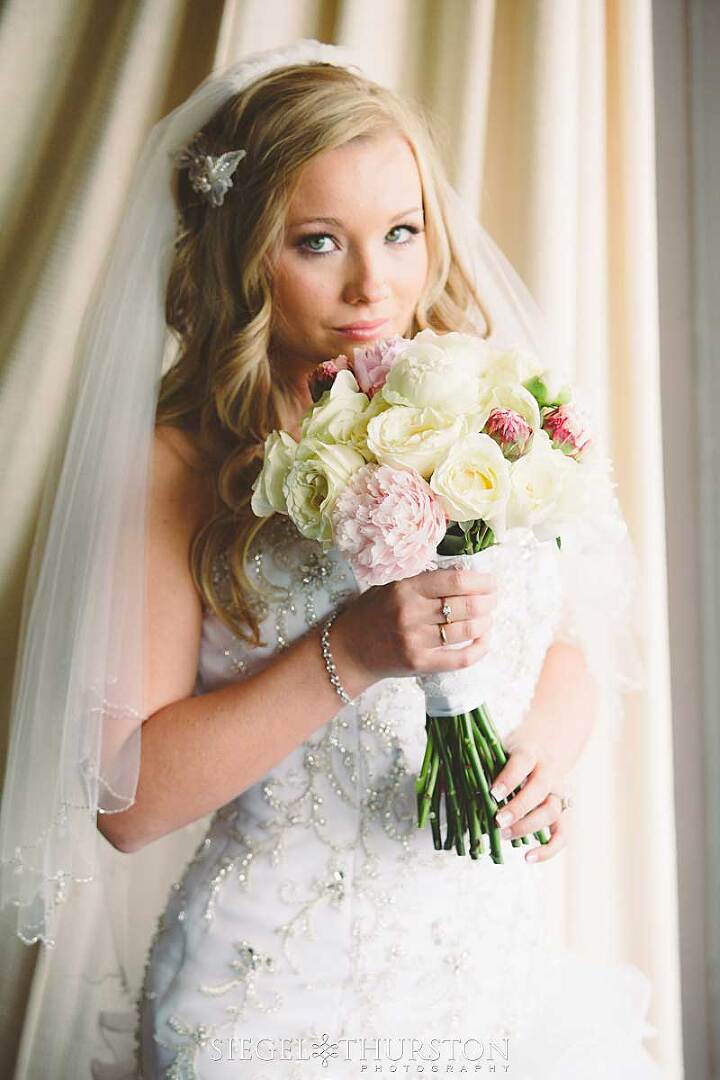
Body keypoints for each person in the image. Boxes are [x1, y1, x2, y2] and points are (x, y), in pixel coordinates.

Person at [0, 41, 660, 1080]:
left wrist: (538, 758)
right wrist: (349, 651)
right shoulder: (179, 462)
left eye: (401, 233)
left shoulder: (483, 404)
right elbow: (128, 806)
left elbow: (569, 628)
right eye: (318, 242)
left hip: (490, 979)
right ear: (241, 251)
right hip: (275, 1001)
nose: (375, 284)